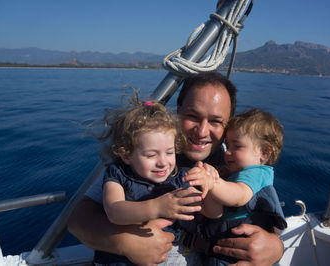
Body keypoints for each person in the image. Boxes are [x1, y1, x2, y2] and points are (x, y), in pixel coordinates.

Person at [68, 72, 284, 265]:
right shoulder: (145, 151)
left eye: (216, 121)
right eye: (192, 116)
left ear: (227, 125)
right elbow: (78, 219)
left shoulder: (231, 159)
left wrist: (275, 247)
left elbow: (256, 207)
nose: (202, 131)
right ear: (178, 111)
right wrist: (124, 242)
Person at [94, 99, 211, 265]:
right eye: (151, 155)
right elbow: (114, 211)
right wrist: (156, 207)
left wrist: (210, 183)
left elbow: (209, 209)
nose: (163, 162)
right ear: (126, 155)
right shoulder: (118, 175)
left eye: (170, 152)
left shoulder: (181, 177)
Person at [184, 109, 287, 265]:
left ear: (264, 153)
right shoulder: (238, 173)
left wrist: (213, 182)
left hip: (236, 250)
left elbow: (239, 196)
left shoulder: (256, 173)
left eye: (236, 146)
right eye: (228, 145)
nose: (228, 152)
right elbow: (215, 213)